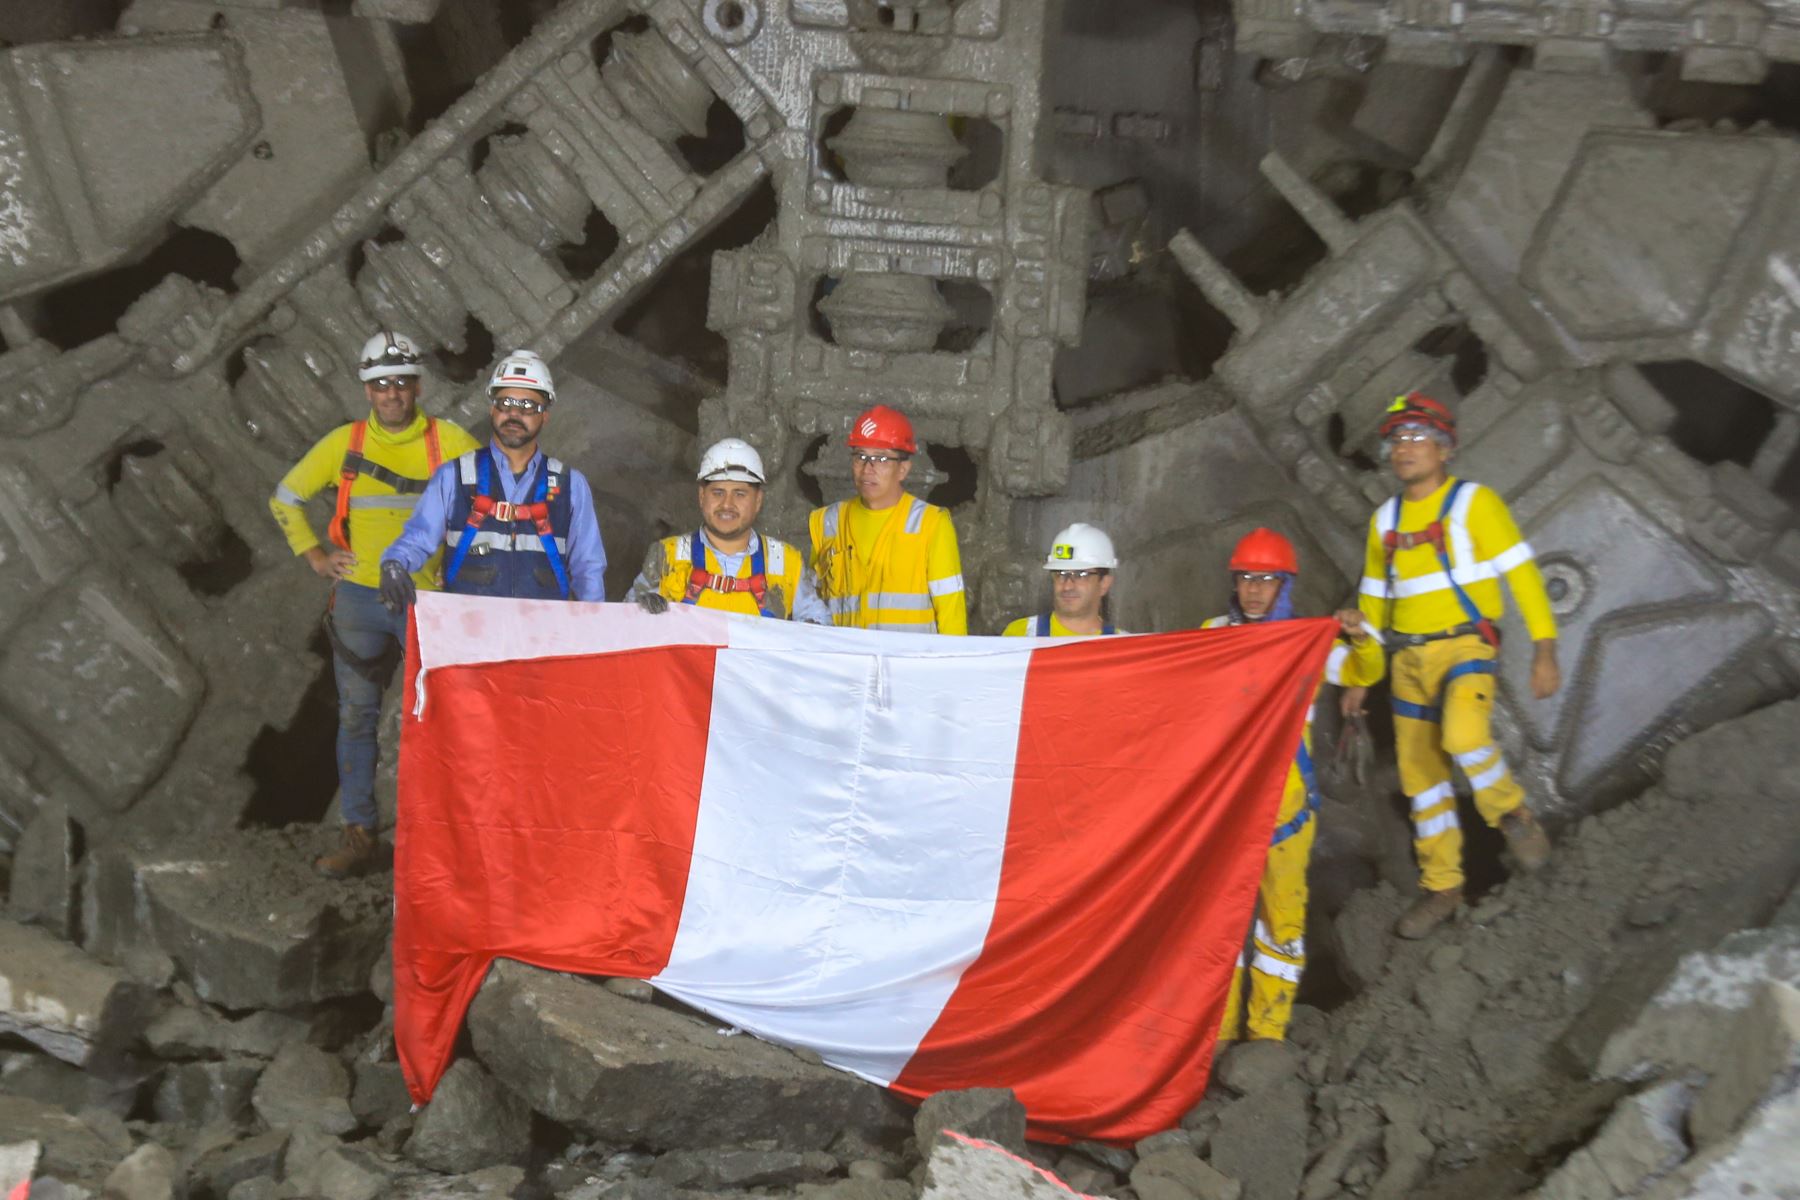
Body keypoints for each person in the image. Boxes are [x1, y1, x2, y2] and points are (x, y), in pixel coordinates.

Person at [1343, 393, 1558, 940]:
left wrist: (1544, 647)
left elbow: (1522, 574)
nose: (1404, 449)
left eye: (1417, 437)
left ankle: (1514, 816)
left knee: (1464, 737)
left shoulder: (1472, 504)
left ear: (1444, 447)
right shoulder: (1385, 520)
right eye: (1396, 440)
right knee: (1423, 782)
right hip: (1408, 659)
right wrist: (1358, 677)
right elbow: (1371, 608)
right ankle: (1443, 887)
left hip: (1464, 649)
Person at [268, 330, 482, 877]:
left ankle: (437, 842)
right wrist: (315, 555)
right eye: (381, 385)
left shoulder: (450, 441)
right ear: (368, 390)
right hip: (360, 600)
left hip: (425, 604)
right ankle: (359, 836)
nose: (392, 395)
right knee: (357, 717)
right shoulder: (347, 443)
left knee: (437, 722)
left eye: (401, 384)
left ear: (417, 386)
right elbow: (286, 497)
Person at [1202, 528, 1382, 1041]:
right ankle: (1218, 1034)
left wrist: (1363, 637)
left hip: (1285, 810)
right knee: (1221, 927)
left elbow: (1365, 669)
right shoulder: (1213, 630)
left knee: (1280, 924)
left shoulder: (1307, 641)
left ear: (1285, 585)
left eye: (1266, 580)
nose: (1254, 590)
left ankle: (1266, 1035)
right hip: (1228, 807)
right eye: (1246, 579)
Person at [380, 349, 606, 607]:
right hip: (470, 629)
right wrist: (394, 563)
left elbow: (588, 568)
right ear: (492, 409)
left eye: (528, 406)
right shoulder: (454, 477)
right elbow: (419, 537)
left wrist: (593, 622)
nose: (514, 414)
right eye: (505, 403)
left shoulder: (570, 485)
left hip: (541, 636)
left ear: (545, 415)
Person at [628, 437, 830, 623]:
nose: (727, 504)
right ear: (701, 496)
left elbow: (818, 627)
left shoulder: (786, 562)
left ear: (758, 500)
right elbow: (626, 624)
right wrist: (640, 611)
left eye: (740, 494)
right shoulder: (667, 556)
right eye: (718, 493)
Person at [808, 405, 966, 634]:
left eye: (881, 459)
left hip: (909, 666)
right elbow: (811, 607)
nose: (867, 469)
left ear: (903, 469)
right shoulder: (827, 522)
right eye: (860, 457)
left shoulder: (931, 524)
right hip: (847, 665)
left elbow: (952, 616)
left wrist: (953, 666)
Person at [1002, 523, 1125, 636]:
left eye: (1080, 575)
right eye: (1061, 574)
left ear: (1104, 584)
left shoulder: (1125, 648)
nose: (1067, 586)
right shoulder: (1020, 635)